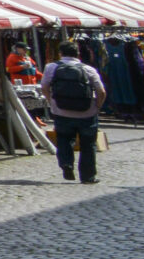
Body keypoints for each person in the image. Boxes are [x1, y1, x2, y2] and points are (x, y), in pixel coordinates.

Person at [42, 41, 106, 184]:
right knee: (88, 145)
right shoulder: (88, 69)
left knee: (64, 139)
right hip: (87, 113)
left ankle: (66, 164)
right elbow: (101, 91)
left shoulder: (51, 67)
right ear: (78, 53)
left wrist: (51, 101)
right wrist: (98, 106)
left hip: (61, 111)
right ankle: (88, 176)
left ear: (60, 53)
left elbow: (44, 86)